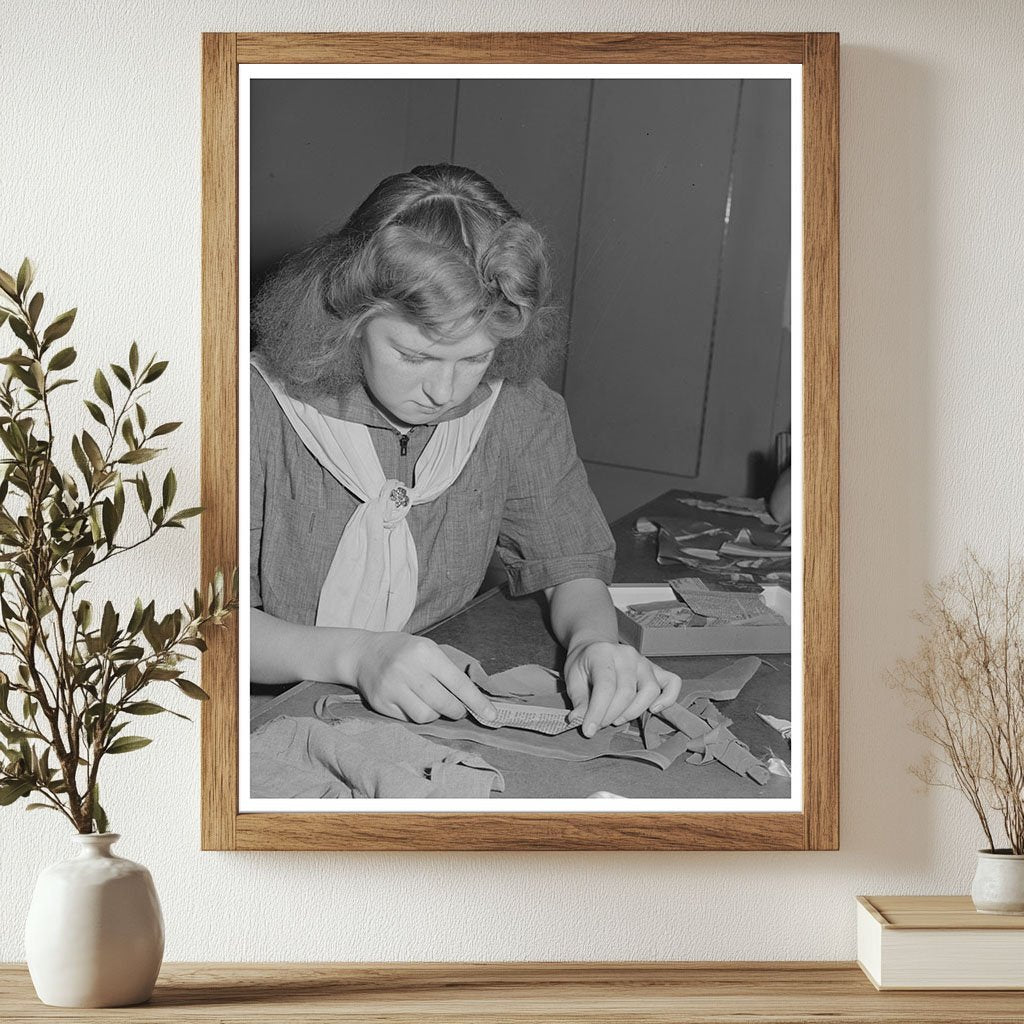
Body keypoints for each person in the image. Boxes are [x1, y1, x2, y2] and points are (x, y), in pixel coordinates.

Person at [250, 164, 681, 739]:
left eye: (475, 358)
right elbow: (194, 627)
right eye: (414, 355)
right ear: (349, 321)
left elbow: (569, 563)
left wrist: (594, 643)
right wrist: (357, 657)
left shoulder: (517, 409)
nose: (445, 392)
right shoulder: (249, 407)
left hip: (416, 710)